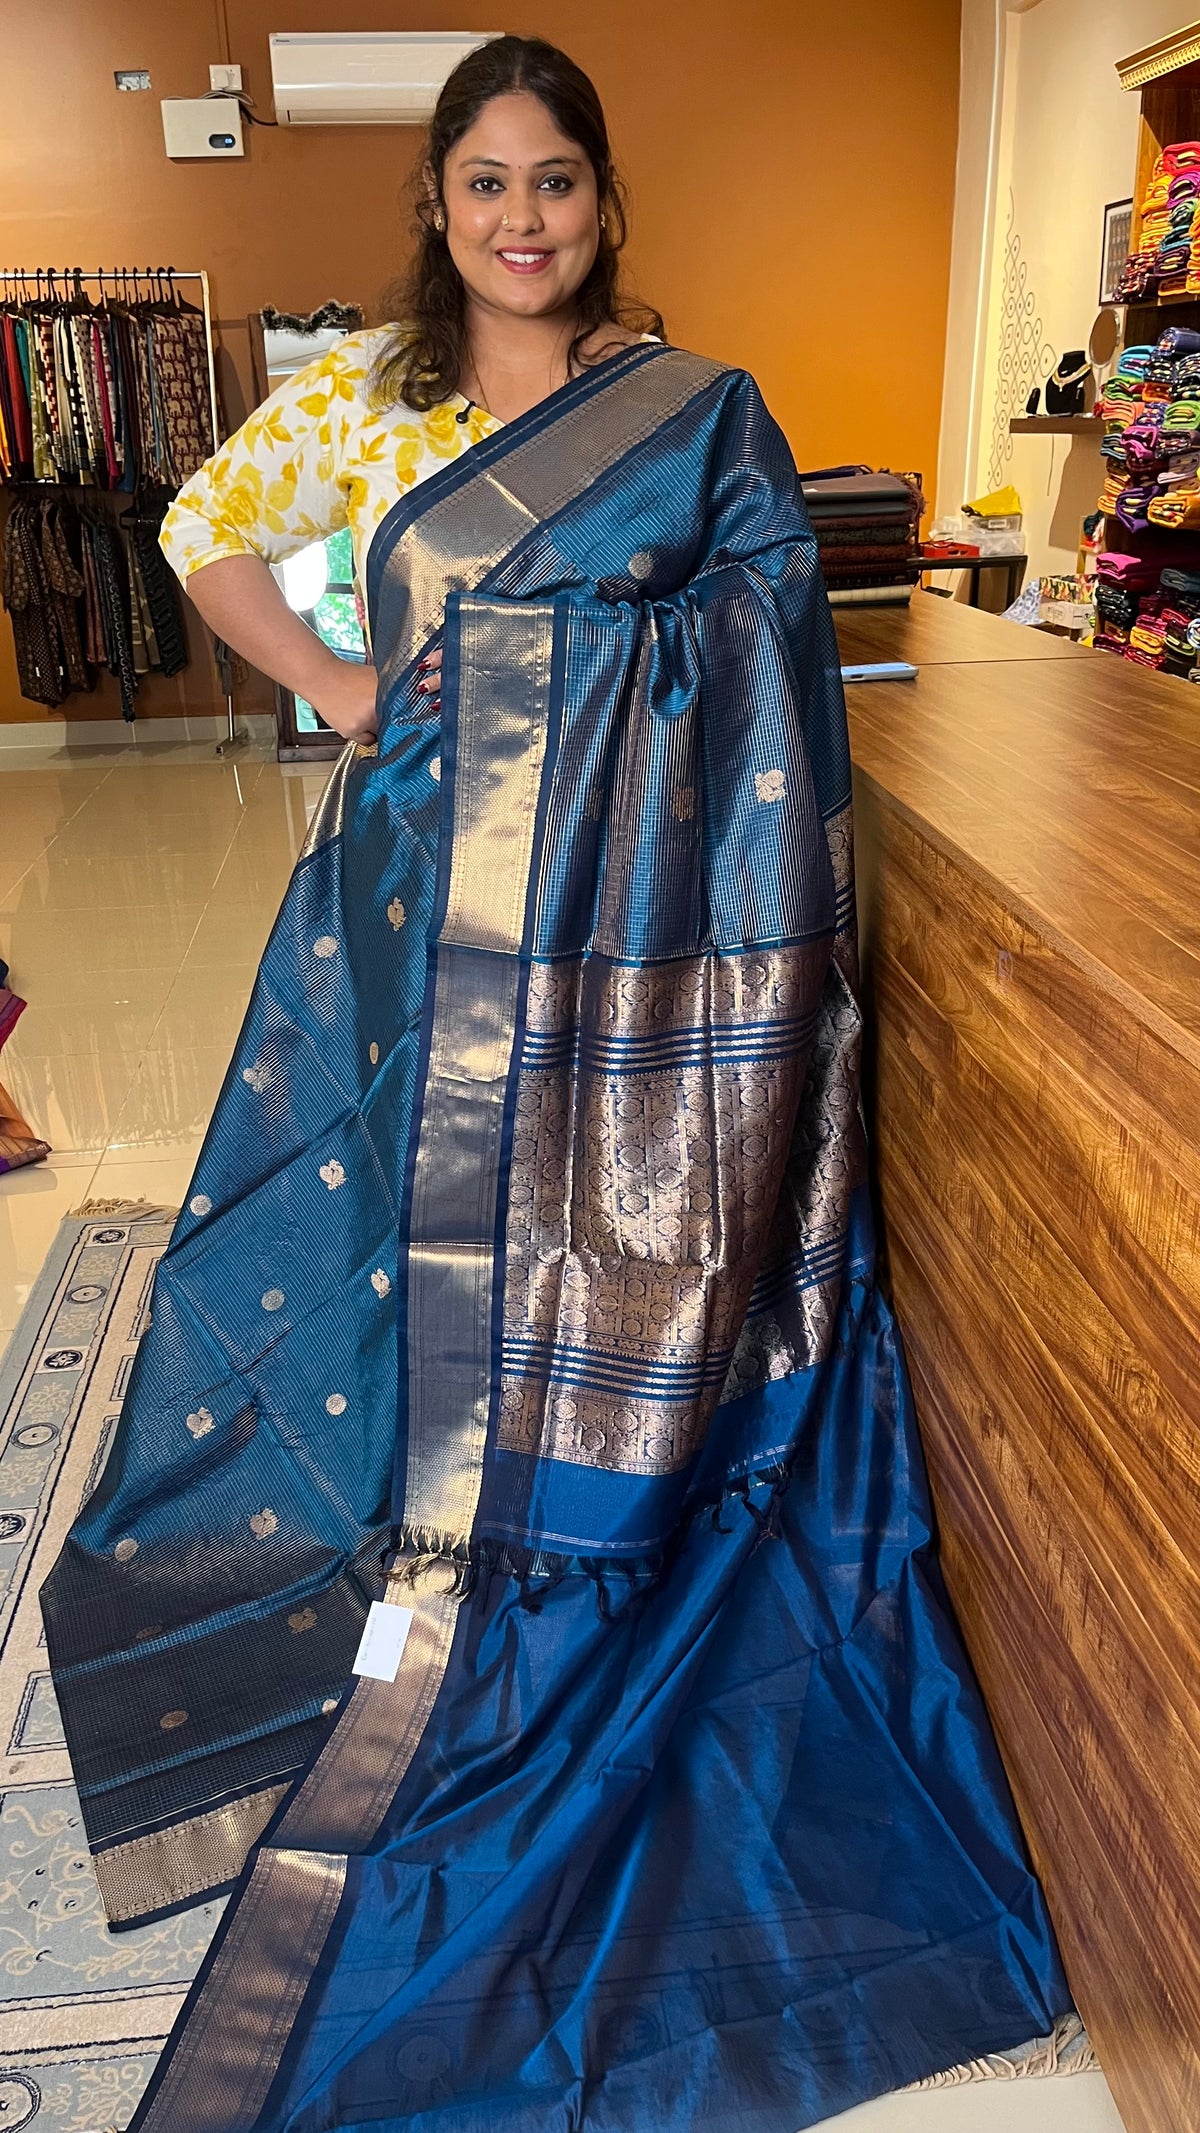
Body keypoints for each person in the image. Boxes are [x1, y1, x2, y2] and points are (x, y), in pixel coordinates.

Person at [42, 35, 1070, 2133]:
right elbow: (200, 525)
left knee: (562, 1262)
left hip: (632, 973)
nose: (523, 218)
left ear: (605, 202)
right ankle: (414, 1530)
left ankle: (553, 1537)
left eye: (558, 181)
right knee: (405, 1250)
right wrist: (342, 685)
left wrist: (572, 668)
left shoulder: (692, 410)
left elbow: (770, 639)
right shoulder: (368, 401)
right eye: (486, 183)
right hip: (419, 922)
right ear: (437, 206)